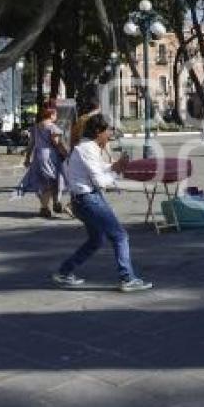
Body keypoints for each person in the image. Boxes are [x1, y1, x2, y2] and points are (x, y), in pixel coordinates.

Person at [53, 114, 152, 292]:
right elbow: (100, 181)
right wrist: (117, 171)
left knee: (96, 240)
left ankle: (64, 272)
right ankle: (127, 278)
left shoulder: (88, 147)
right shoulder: (87, 149)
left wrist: (114, 166)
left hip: (83, 199)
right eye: (108, 131)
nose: (110, 134)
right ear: (98, 131)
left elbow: (97, 168)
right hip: (88, 199)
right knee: (120, 236)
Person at [17, 104, 68, 218]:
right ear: (51, 115)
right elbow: (57, 143)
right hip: (50, 156)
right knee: (51, 181)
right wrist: (66, 153)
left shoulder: (36, 127)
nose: (56, 116)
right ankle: (45, 207)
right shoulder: (52, 127)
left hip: (38, 155)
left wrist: (27, 158)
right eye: (55, 114)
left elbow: (31, 144)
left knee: (45, 181)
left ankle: (54, 203)